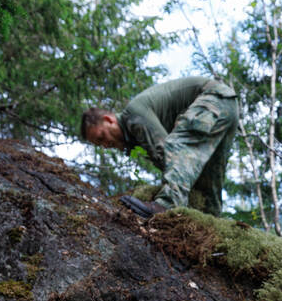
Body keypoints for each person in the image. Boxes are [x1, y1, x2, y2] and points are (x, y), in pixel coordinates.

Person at [81, 76, 239, 216]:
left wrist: (165, 196)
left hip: (213, 100)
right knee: (210, 176)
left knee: (177, 148)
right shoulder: (132, 133)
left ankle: (167, 205)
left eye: (102, 136)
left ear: (108, 120)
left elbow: (167, 151)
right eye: (100, 144)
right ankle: (210, 218)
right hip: (226, 106)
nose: (106, 144)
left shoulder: (133, 115)